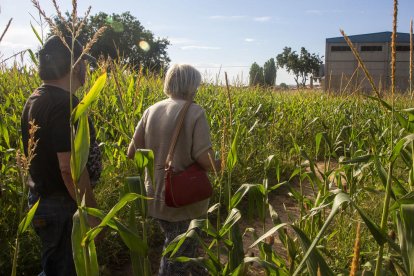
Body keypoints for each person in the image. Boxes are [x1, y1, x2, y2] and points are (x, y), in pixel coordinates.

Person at [127, 64, 219, 276]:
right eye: (196, 84)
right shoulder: (195, 111)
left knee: (183, 245)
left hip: (156, 194)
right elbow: (205, 158)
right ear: (191, 85)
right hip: (183, 199)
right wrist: (221, 161)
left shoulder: (151, 110)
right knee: (177, 254)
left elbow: (132, 151)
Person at [21, 35, 101, 276]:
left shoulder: (37, 97)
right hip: (62, 206)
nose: (86, 68)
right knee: (63, 270)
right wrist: (91, 212)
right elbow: (69, 169)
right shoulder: (64, 104)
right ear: (74, 66)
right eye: (83, 62)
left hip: (45, 200)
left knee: (55, 266)